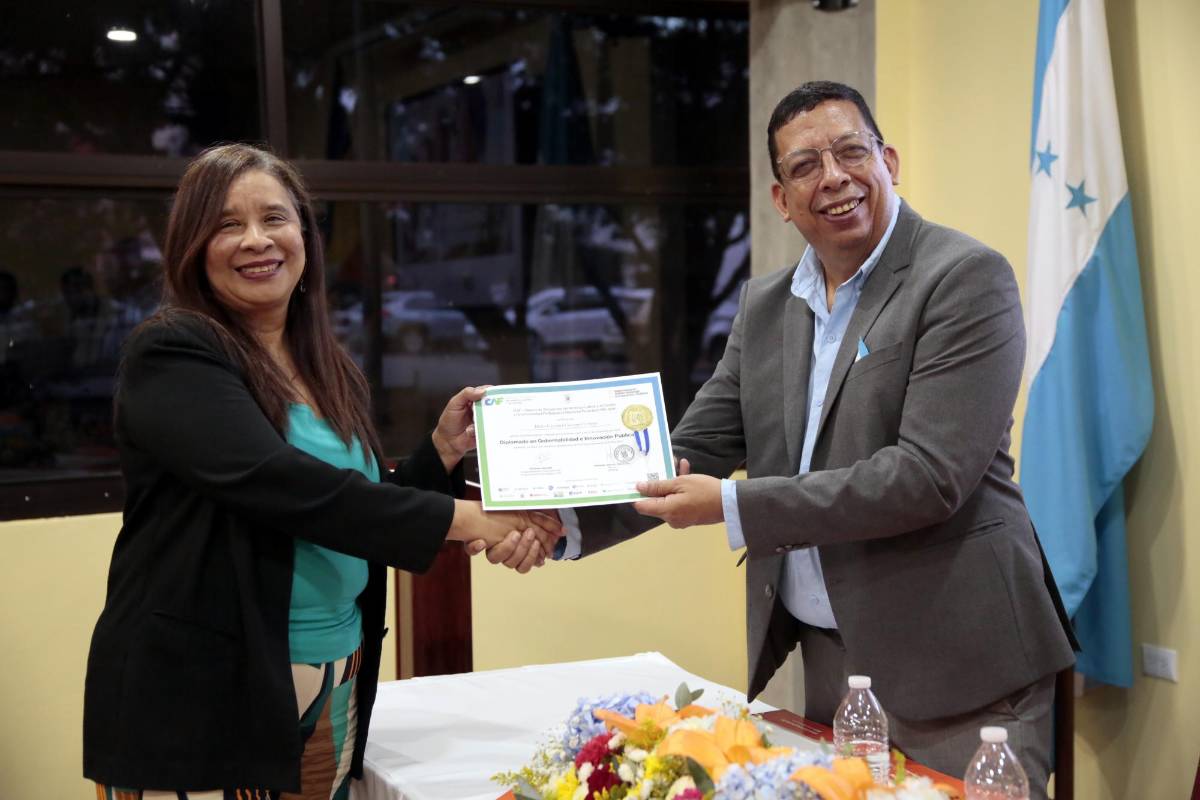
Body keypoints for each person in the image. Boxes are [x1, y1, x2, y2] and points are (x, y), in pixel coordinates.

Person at [561, 82, 1076, 796]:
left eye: (850, 151)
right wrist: (555, 520)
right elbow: (685, 453)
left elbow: (929, 477)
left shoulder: (963, 278)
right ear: (780, 197)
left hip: (962, 668)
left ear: (888, 161)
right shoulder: (767, 304)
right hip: (834, 668)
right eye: (805, 165)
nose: (832, 176)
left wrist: (734, 507)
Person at [82, 143, 562, 800]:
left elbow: (353, 508)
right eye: (228, 224)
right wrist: (474, 518)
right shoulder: (173, 351)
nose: (257, 240)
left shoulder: (326, 368)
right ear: (193, 244)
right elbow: (282, 485)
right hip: (210, 692)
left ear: (305, 233)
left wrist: (440, 456)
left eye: (275, 218)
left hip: (336, 678)